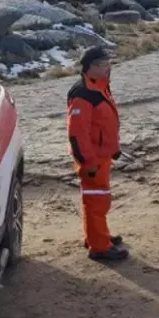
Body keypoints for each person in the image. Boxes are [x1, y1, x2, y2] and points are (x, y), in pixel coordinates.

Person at [67, 46, 127, 261]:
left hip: (101, 155)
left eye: (107, 64)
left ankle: (96, 236)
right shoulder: (83, 95)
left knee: (96, 199)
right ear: (88, 68)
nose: (106, 69)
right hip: (93, 159)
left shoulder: (98, 87)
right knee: (97, 200)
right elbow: (77, 134)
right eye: (101, 65)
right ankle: (100, 247)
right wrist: (88, 162)